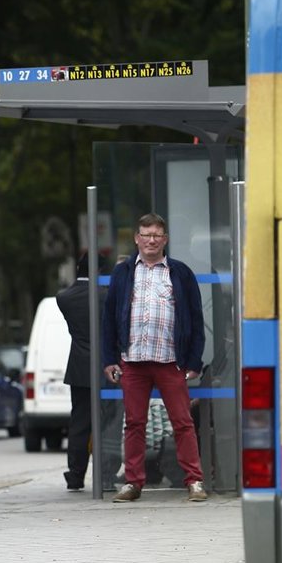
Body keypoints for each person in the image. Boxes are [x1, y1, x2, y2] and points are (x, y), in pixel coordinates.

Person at [101, 212, 207, 503]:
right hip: (132, 360)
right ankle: (133, 483)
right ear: (136, 238)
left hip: (170, 360)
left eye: (156, 235)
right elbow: (109, 318)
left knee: (182, 422)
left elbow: (196, 320)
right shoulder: (123, 273)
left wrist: (194, 361)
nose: (150, 240)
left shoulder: (180, 273)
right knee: (134, 423)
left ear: (165, 240)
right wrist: (110, 358)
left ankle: (194, 481)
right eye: (145, 235)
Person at [56, 252, 106, 491]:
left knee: (79, 422)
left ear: (78, 267)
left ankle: (76, 475)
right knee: (110, 421)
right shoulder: (106, 295)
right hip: (108, 364)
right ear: (99, 272)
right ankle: (106, 472)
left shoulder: (64, 297)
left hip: (79, 366)